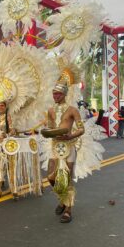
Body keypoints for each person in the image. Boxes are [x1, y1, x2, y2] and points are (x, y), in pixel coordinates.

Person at [46, 82, 85, 223]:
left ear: (64, 94)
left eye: (58, 94)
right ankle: (62, 199)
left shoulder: (73, 110)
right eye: (54, 93)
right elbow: (49, 128)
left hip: (69, 146)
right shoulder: (50, 110)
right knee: (51, 177)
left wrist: (70, 136)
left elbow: (81, 129)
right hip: (55, 147)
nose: (55, 96)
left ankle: (68, 210)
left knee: (66, 179)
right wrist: (49, 133)